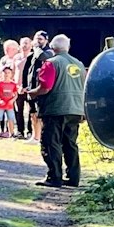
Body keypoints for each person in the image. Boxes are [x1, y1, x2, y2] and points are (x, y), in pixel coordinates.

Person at [31, 33, 85, 188]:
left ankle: (54, 176)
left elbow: (45, 87)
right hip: (75, 109)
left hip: (56, 108)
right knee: (70, 143)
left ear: (53, 47)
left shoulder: (51, 63)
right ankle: (73, 177)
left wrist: (32, 92)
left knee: (51, 143)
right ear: (67, 47)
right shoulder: (79, 64)